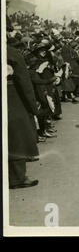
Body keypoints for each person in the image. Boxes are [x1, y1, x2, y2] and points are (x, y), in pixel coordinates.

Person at [7, 43, 40, 189]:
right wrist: (33, 107)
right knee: (17, 136)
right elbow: (24, 82)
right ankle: (17, 178)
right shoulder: (11, 52)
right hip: (11, 96)